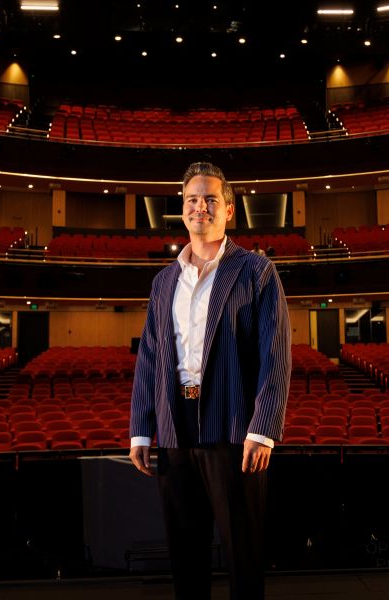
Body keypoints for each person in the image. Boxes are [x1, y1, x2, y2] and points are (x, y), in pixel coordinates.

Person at [129, 162, 291, 600]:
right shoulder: (164, 281)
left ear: (229, 210)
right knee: (185, 555)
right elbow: (149, 357)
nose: (200, 206)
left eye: (210, 199)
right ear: (183, 210)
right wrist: (142, 429)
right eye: (192, 200)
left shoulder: (256, 271)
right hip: (175, 428)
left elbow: (276, 354)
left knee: (243, 554)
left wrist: (263, 430)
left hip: (235, 427)